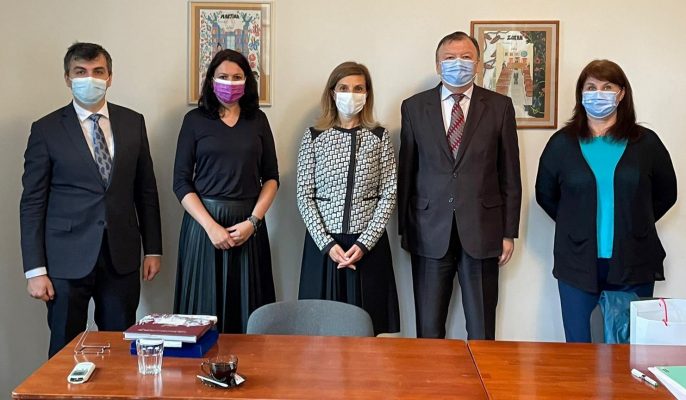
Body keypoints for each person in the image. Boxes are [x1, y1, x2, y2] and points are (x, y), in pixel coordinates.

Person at [20, 42, 162, 357]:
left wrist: (153, 249)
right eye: (80, 72)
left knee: (120, 349)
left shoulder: (133, 122)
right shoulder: (46, 129)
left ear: (110, 77)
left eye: (98, 71)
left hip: (121, 256)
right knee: (64, 349)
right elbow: (32, 203)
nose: (90, 78)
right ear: (68, 78)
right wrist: (35, 270)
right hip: (65, 259)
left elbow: (146, 191)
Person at [535, 59, 677, 343]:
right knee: (580, 346)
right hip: (577, 262)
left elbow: (666, 193)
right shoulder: (561, 144)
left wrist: (635, 222)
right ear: (581, 94)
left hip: (634, 260)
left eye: (607, 87)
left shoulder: (646, 143)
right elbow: (546, 195)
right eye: (591, 87)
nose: (598, 94)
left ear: (621, 93)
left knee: (627, 349)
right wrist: (575, 224)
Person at [398, 32, 521, 340]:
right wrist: (405, 230)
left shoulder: (500, 106)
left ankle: (482, 374)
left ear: (478, 64)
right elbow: (406, 173)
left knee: (481, 329)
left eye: (466, 57)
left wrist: (508, 232)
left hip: (483, 230)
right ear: (437, 65)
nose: (458, 64)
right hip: (428, 231)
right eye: (450, 58)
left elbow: (510, 173)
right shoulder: (414, 107)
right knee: (428, 329)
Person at [173, 49, 279, 333]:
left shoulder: (258, 120)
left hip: (248, 225)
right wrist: (211, 227)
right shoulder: (194, 120)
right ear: (211, 80)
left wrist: (253, 222)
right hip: (204, 228)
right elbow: (181, 182)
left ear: (247, 81)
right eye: (223, 76)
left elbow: (271, 178)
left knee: (250, 313)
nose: (229, 83)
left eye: (236, 77)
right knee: (201, 317)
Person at [297, 61, 400, 335]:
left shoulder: (379, 137)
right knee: (320, 332)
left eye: (358, 88)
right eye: (344, 88)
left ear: (367, 94)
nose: (350, 94)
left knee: (365, 330)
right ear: (332, 93)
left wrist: (365, 243)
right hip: (324, 249)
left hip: (366, 248)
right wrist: (327, 244)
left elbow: (389, 193)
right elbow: (304, 195)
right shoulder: (315, 137)